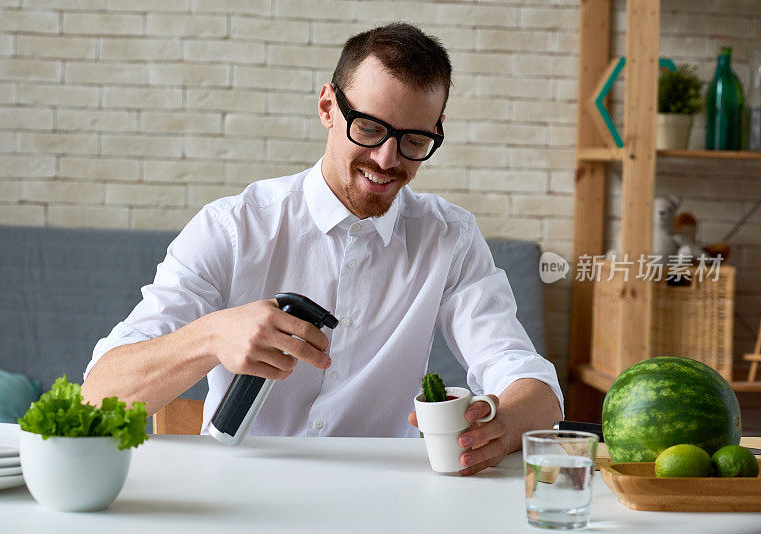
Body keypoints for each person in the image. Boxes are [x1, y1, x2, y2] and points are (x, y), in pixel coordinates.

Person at [82, 23, 563, 476]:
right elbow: (99, 397)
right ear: (328, 108)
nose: (386, 160)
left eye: (414, 140)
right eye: (371, 129)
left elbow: (527, 379)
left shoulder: (449, 237)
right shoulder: (231, 228)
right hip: (235, 493)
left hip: (383, 497)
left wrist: (502, 425)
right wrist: (209, 338)